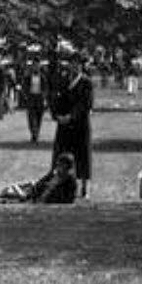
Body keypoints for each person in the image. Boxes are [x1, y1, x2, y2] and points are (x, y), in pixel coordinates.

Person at [51, 55, 93, 198]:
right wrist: (57, 115)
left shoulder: (86, 83)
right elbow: (56, 99)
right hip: (64, 125)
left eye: (77, 64)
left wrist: (71, 116)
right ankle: (61, 184)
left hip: (80, 125)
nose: (74, 67)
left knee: (82, 156)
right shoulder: (64, 81)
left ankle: (85, 187)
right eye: (72, 64)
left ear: (81, 66)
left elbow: (85, 104)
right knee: (62, 154)